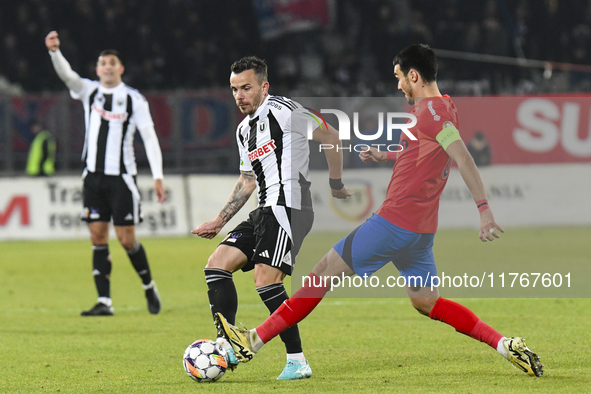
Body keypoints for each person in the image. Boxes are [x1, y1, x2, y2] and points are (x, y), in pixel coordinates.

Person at [215, 45, 543, 378]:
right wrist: (384, 155)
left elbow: (462, 157)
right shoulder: (444, 107)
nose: (398, 85)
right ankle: (504, 345)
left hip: (394, 223)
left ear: (413, 75)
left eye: (400, 78)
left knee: (320, 274)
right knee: (426, 301)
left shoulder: (433, 114)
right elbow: (420, 151)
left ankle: (252, 340)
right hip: (420, 232)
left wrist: (484, 210)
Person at [192, 56, 353, 380]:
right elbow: (247, 180)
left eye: (246, 88)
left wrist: (335, 183)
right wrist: (219, 221)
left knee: (267, 279)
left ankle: (297, 361)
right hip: (265, 208)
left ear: (264, 87)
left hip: (290, 207)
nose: (239, 95)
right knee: (216, 265)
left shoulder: (286, 111)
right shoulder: (243, 131)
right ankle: (226, 346)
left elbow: (331, 136)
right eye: (235, 89)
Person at [45, 31, 166, 316]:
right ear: (98, 69)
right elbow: (68, 76)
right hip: (93, 177)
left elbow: (149, 137)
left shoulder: (134, 99)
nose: (107, 67)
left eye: (112, 62)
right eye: (103, 63)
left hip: (121, 178)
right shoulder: (90, 91)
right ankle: (105, 302)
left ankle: (148, 285)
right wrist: (54, 52)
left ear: (120, 68)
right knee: (97, 236)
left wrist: (158, 175)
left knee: (126, 240)